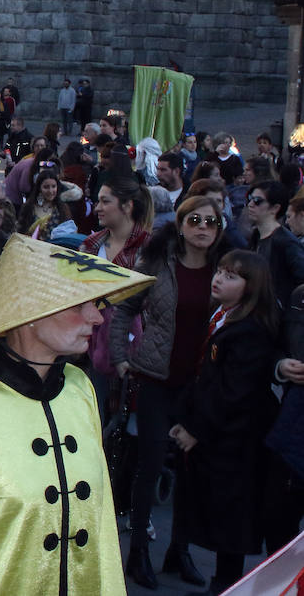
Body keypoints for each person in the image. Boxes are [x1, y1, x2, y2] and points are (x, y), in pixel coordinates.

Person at [0, 234, 152, 595]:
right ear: (27, 310)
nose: (97, 317)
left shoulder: (79, 388)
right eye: (79, 303)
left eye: (97, 303)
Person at [108, 197, 224, 589]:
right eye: (195, 220)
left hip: (198, 383)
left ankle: (180, 550)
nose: (203, 227)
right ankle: (138, 550)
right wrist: (121, 356)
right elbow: (124, 308)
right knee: (150, 464)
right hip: (155, 378)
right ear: (180, 224)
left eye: (211, 221)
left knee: (191, 469)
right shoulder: (158, 263)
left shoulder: (224, 269)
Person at [170, 250, 280, 594]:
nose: (218, 279)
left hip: (236, 441)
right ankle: (222, 583)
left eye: (231, 276)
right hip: (221, 435)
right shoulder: (224, 316)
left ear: (251, 287)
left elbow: (232, 393)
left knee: (232, 519)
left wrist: (197, 430)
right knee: (221, 514)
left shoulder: (250, 331)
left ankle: (225, 585)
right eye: (219, 271)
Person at [80, 174, 152, 406]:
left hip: (137, 349)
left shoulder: (150, 248)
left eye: (105, 201)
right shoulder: (90, 245)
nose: (98, 207)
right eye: (98, 201)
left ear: (127, 206)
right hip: (92, 345)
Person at [246, 180, 304, 304]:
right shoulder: (256, 237)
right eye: (250, 198)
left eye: (257, 201)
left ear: (275, 208)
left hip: (276, 316)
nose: (250, 204)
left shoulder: (286, 242)